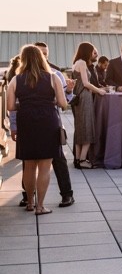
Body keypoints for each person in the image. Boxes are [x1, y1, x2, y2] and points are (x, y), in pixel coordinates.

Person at [6, 45, 68, 214]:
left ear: (23, 59)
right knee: (45, 167)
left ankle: (29, 203)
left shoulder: (15, 80)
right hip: (48, 121)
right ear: (41, 57)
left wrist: (27, 104)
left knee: (29, 165)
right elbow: (63, 103)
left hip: (26, 122)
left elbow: (10, 106)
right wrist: (50, 102)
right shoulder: (52, 77)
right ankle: (40, 206)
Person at [34, 42, 76, 206]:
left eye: (45, 53)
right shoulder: (22, 75)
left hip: (52, 122)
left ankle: (67, 194)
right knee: (29, 161)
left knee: (58, 159)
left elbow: (64, 102)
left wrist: (69, 91)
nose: (43, 56)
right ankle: (28, 195)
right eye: (40, 52)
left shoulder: (56, 74)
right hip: (30, 123)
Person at [71, 42, 107, 169]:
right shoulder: (82, 63)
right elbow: (86, 83)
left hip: (79, 98)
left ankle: (78, 159)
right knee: (87, 127)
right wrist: (99, 90)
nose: (94, 53)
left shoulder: (77, 62)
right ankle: (82, 160)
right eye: (92, 51)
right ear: (87, 51)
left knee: (80, 128)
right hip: (85, 98)